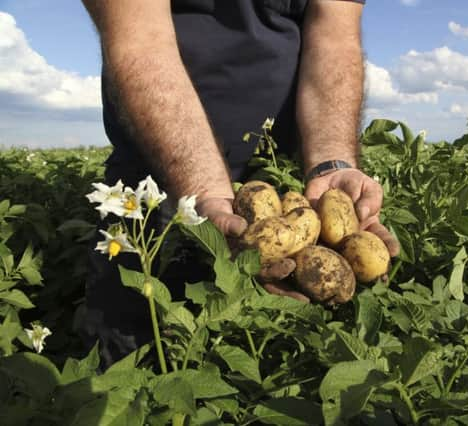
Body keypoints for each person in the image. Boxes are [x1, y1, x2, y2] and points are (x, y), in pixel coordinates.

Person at [80, 0, 399, 366]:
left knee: (269, 378)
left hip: (280, 184)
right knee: (136, 363)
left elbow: (334, 39)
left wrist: (331, 163)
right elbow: (139, 42)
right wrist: (206, 188)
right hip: (154, 194)